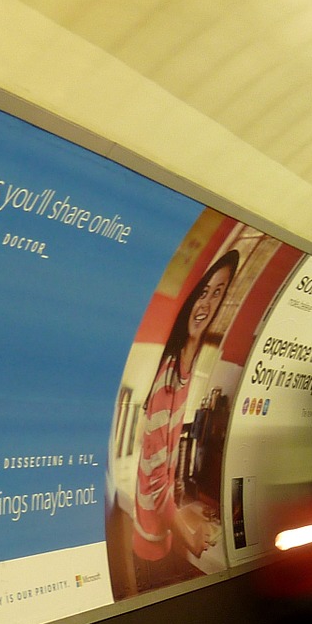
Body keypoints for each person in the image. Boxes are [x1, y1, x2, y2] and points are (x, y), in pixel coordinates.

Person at [132, 249, 238, 592]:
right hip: (150, 541)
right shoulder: (168, 377)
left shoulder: (188, 371)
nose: (207, 303)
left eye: (218, 293)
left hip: (162, 533)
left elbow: (168, 473)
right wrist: (190, 536)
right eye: (203, 292)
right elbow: (153, 480)